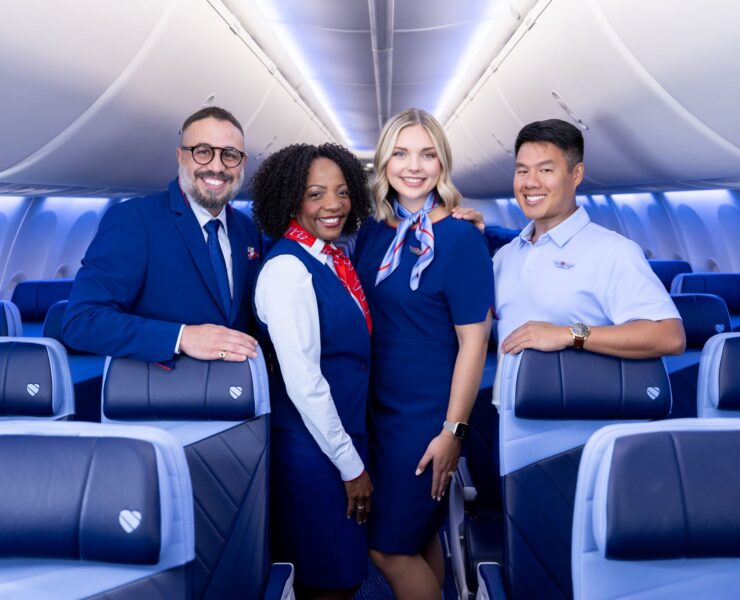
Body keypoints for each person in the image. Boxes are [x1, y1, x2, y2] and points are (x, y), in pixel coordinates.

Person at [354, 108, 494, 599]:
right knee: (414, 536)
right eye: (401, 152)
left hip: (425, 418)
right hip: (378, 410)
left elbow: (474, 342)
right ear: (383, 161)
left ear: (443, 163)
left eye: (427, 154)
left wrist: (453, 431)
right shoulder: (373, 230)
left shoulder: (460, 238)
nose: (414, 166)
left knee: (385, 548)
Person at [251, 143, 374, 600]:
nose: (333, 205)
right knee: (328, 582)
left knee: (340, 574)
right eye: (315, 194)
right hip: (316, 452)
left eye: (342, 192)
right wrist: (350, 466)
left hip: (339, 440)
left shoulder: (328, 257)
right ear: (290, 198)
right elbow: (304, 383)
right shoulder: (287, 269)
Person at [62, 106, 262, 365]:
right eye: (203, 152)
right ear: (181, 156)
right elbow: (82, 321)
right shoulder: (135, 220)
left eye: (230, 155)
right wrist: (181, 337)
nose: (216, 166)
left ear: (242, 163)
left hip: (240, 395)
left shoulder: (247, 230)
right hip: (163, 395)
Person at [494, 118, 685, 361]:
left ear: (576, 175)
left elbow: (669, 336)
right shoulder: (504, 256)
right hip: (505, 400)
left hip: (573, 399)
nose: (530, 182)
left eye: (545, 170)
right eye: (522, 171)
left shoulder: (613, 251)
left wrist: (569, 334)